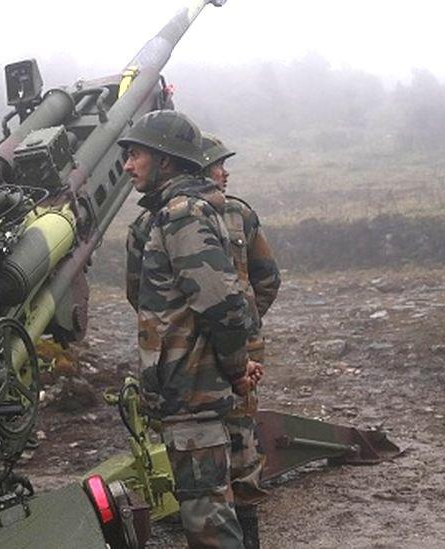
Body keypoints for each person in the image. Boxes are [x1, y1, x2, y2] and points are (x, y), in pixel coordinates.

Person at [119, 110, 261, 548]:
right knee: (206, 513)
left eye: (136, 155)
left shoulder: (182, 216)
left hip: (193, 391)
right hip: (188, 392)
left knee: (209, 524)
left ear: (166, 160)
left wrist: (237, 369)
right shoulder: (175, 213)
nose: (127, 165)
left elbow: (223, 307)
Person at [200, 133, 280, 549]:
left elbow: (267, 279)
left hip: (227, 357)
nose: (224, 172)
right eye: (217, 164)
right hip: (196, 359)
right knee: (216, 449)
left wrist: (242, 326)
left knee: (240, 446)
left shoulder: (240, 216)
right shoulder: (163, 219)